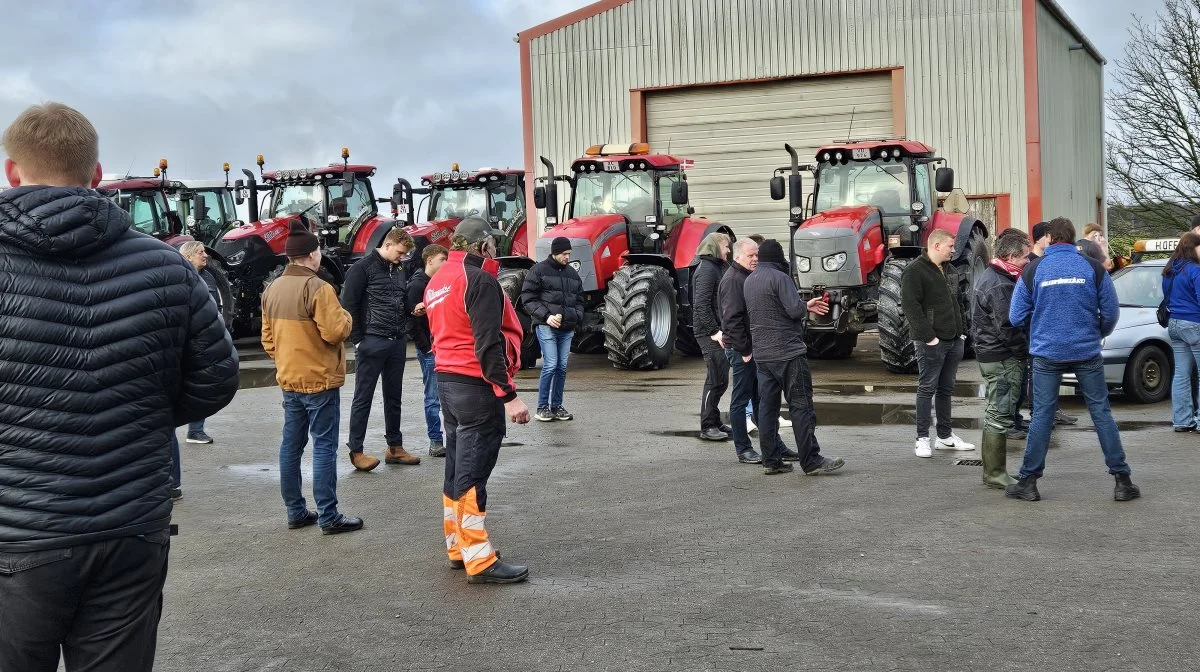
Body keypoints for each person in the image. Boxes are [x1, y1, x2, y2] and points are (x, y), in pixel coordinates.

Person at [0, 102, 238, 672]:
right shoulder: (168, 267)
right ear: (98, 174)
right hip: (131, 524)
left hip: (19, 530)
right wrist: (139, 411)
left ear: (12, 172)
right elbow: (216, 377)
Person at [426, 216, 531, 584]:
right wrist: (509, 397)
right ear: (483, 245)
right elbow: (487, 344)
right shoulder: (481, 280)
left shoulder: (438, 279)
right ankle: (480, 560)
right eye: (493, 245)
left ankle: (458, 548)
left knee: (456, 468)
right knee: (473, 474)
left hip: (447, 383)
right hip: (475, 386)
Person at [1006, 218, 1139, 502]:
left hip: (1046, 353)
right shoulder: (1092, 268)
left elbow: (1016, 316)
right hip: (1086, 352)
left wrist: (1039, 330)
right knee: (1101, 413)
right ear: (1073, 237)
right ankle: (1123, 481)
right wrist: (1096, 332)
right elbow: (1111, 312)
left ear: (1051, 238)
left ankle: (1028, 482)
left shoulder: (1033, 269)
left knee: (1042, 415)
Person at [262, 221, 363, 531]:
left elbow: (268, 340)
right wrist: (347, 316)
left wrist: (288, 361)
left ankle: (295, 511)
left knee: (291, 446)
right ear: (311, 254)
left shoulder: (273, 289)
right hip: (319, 381)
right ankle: (329, 516)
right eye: (318, 250)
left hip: (289, 380)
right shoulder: (319, 288)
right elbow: (335, 332)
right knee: (323, 447)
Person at [743, 239, 845, 475]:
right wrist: (804, 306)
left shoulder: (750, 281)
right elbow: (794, 310)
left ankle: (771, 461)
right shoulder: (781, 278)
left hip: (763, 355)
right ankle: (811, 460)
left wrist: (802, 304)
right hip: (788, 353)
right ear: (779, 259)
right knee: (801, 406)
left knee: (767, 409)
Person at [341, 227, 420, 470]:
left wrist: (412, 310)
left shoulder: (399, 269)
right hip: (372, 341)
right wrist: (358, 340)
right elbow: (348, 304)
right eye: (400, 252)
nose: (402, 257)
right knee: (363, 397)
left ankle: (395, 447)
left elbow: (399, 299)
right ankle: (356, 450)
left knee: (394, 396)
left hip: (396, 341)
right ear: (388, 244)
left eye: (405, 254)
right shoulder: (361, 268)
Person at [719, 237, 799, 465]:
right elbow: (731, 319)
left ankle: (775, 446)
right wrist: (744, 349)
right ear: (737, 257)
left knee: (763, 400)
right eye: (750, 256)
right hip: (742, 349)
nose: (755, 259)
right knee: (741, 400)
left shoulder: (749, 276)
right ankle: (743, 448)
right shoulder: (733, 280)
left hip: (756, 349)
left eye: (757, 255)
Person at [900, 229, 975, 457]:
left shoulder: (950, 270)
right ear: (936, 246)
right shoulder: (914, 271)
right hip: (931, 342)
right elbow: (910, 307)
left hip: (953, 340)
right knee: (927, 388)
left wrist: (962, 334)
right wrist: (929, 337)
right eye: (950, 246)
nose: (954, 250)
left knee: (946, 389)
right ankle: (922, 439)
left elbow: (959, 302)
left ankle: (944, 437)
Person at [971, 229, 1032, 488]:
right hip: (1002, 357)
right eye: (1025, 258)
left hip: (992, 353)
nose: (1028, 262)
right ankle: (995, 473)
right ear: (1010, 256)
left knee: (996, 412)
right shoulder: (1001, 283)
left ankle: (993, 471)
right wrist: (1023, 351)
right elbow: (1008, 326)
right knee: (999, 414)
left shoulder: (993, 277)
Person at [520, 236, 584, 422]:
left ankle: (556, 406)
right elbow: (528, 298)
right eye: (564, 254)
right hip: (546, 325)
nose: (567, 257)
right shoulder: (538, 270)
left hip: (567, 328)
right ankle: (542, 407)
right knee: (551, 365)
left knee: (562, 367)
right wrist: (547, 317)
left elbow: (580, 300)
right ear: (555, 252)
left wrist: (576, 317)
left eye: (569, 254)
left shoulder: (572, 273)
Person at [691, 232, 733, 440]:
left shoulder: (717, 267)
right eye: (726, 246)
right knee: (716, 378)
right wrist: (714, 331)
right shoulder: (707, 270)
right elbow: (701, 305)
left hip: (716, 329)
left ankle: (715, 421)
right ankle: (707, 426)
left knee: (720, 378)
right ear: (716, 247)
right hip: (708, 332)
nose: (728, 250)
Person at [408, 243, 449, 456]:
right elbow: (412, 323)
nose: (445, 263)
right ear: (429, 260)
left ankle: (448, 438)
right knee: (433, 397)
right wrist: (426, 348)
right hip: (430, 349)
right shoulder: (418, 285)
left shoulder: (440, 282)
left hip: (442, 344)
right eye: (443, 259)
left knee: (447, 395)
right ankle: (435, 440)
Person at [179, 240, 219, 445]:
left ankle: (195, 430)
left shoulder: (208, 277)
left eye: (204, 252)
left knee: (199, 385)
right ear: (187, 257)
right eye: (200, 252)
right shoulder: (178, 278)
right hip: (184, 341)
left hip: (203, 340)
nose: (205, 255)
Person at [1162, 232, 1200, 431]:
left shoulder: (1170, 271)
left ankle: (1182, 420)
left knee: (1181, 374)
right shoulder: (1196, 271)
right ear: (1193, 248)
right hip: (1194, 324)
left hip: (1174, 324)